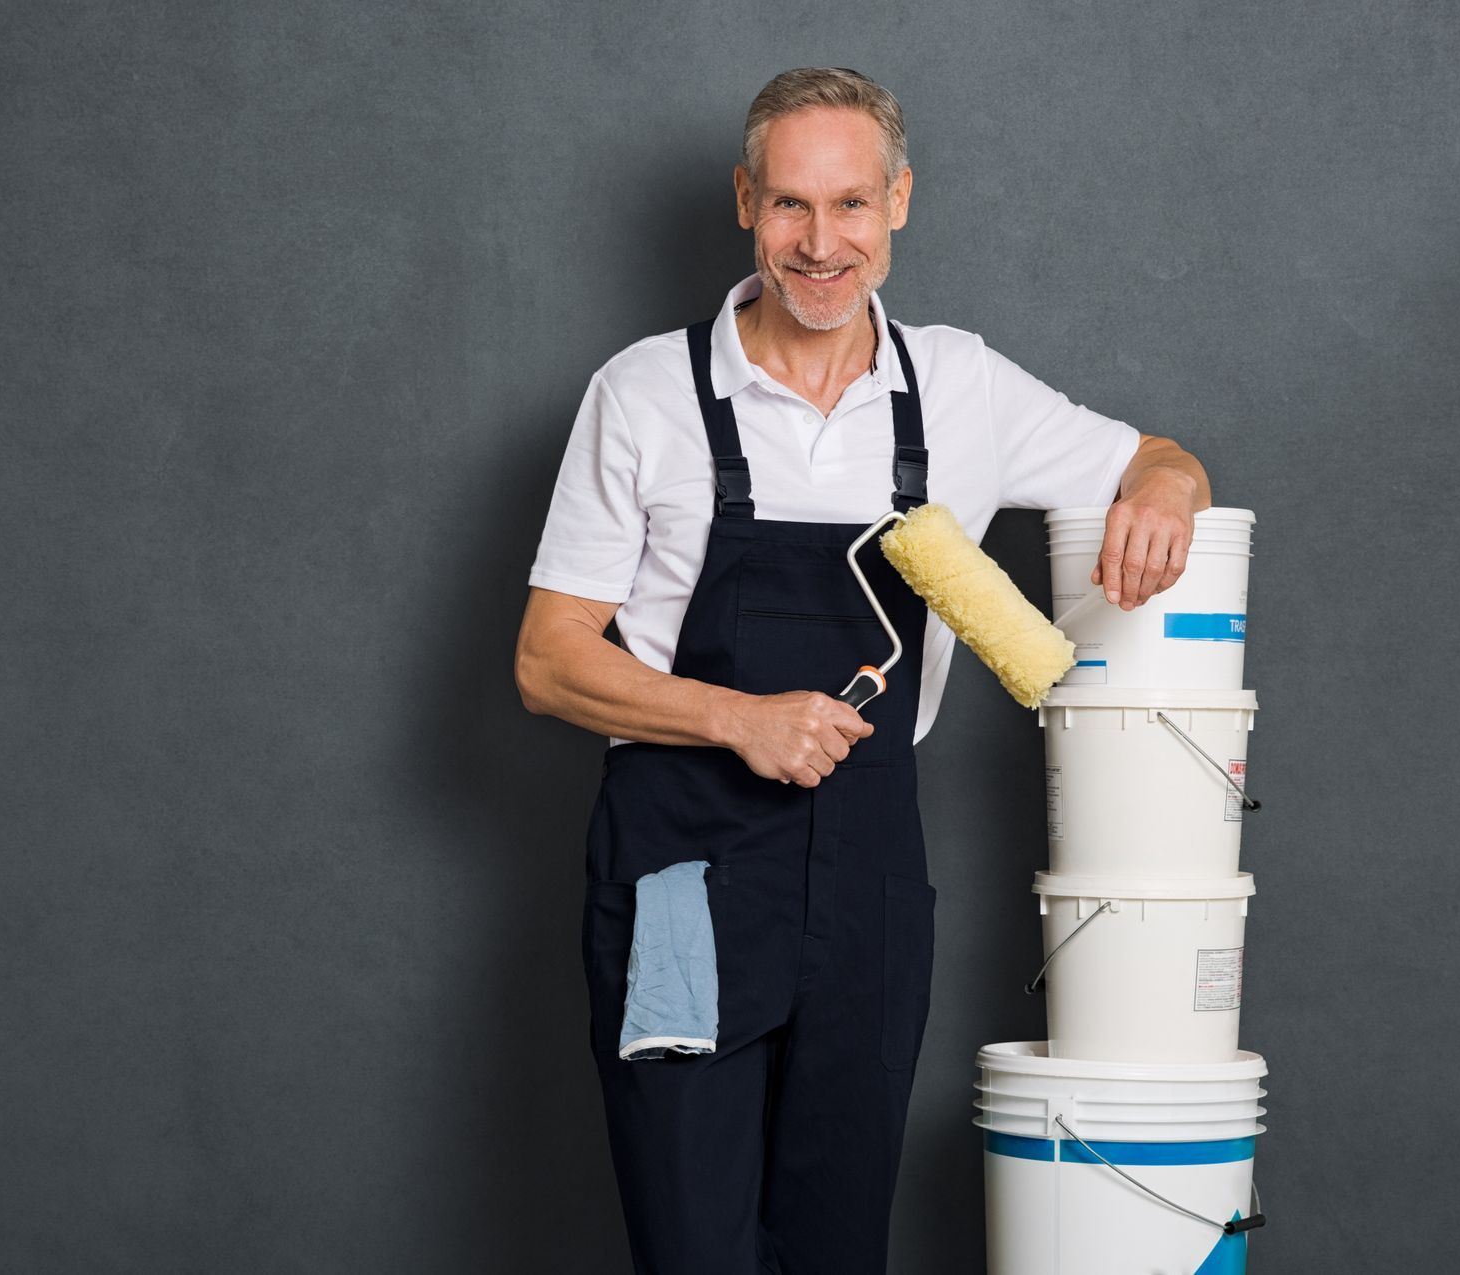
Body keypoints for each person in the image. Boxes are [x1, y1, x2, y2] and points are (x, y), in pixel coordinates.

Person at [513, 67, 1211, 1274]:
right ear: (745, 203)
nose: (820, 244)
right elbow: (548, 663)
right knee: (697, 1247)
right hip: (686, 874)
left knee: (838, 1244)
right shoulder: (644, 395)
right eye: (790, 206)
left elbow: (1157, 454)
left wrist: (1164, 484)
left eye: (849, 206)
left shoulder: (961, 385)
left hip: (870, 881)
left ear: (898, 203)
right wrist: (737, 718)